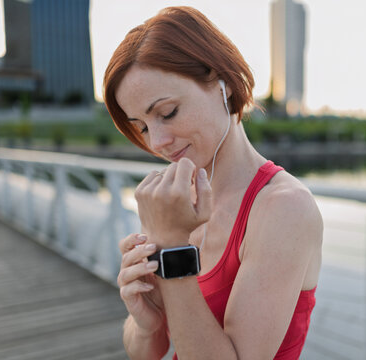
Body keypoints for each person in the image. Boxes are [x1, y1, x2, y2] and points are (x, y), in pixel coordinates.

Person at [103, 6, 323, 360]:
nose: (156, 142)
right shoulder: (178, 203)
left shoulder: (283, 207)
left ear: (222, 84)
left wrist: (173, 252)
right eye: (142, 126)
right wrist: (146, 320)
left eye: (168, 112)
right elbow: (145, 351)